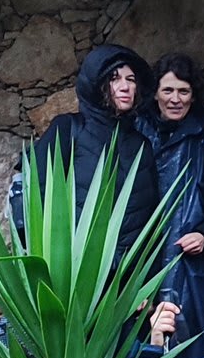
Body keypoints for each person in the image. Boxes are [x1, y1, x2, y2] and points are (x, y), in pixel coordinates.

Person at [22, 44, 160, 261]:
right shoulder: (68, 129)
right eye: (114, 78)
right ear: (97, 84)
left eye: (131, 79)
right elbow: (34, 195)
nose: (125, 87)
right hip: (76, 269)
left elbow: (151, 215)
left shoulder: (142, 146)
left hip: (129, 273)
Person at [138, 52, 204, 358]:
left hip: (192, 264)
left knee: (193, 350)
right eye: (168, 90)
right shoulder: (136, 132)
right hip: (142, 259)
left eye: (183, 91)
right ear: (155, 93)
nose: (175, 99)